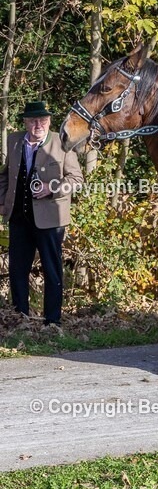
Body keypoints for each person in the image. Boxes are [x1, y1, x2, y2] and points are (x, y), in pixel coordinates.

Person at [0, 100, 83, 328]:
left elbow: (76, 180)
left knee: (51, 270)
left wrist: (51, 188)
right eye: (34, 120)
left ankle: (52, 322)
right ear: (25, 122)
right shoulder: (14, 140)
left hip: (51, 219)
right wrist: (2, 203)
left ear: (49, 121)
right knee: (18, 270)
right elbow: (6, 176)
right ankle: (20, 318)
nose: (39, 125)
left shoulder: (62, 142)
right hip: (18, 216)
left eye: (43, 120)